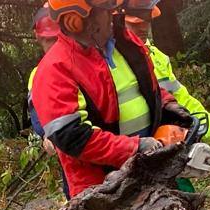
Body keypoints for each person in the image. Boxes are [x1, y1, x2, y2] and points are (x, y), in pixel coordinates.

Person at [31, 0, 194, 199]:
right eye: (105, 11)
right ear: (75, 21)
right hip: (103, 189)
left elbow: (145, 87)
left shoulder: (125, 44)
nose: (112, 15)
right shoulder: (55, 69)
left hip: (151, 169)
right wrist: (134, 147)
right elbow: (73, 137)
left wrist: (167, 105)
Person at [123, 0, 210, 151]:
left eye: (146, 21)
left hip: (164, 148)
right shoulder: (107, 62)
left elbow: (182, 101)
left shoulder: (158, 59)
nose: (143, 27)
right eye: (136, 23)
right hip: (124, 153)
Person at [28, 6, 71, 198]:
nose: (53, 44)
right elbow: (36, 112)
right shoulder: (37, 75)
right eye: (49, 40)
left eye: (56, 39)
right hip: (66, 146)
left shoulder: (78, 63)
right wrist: (47, 134)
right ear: (40, 39)